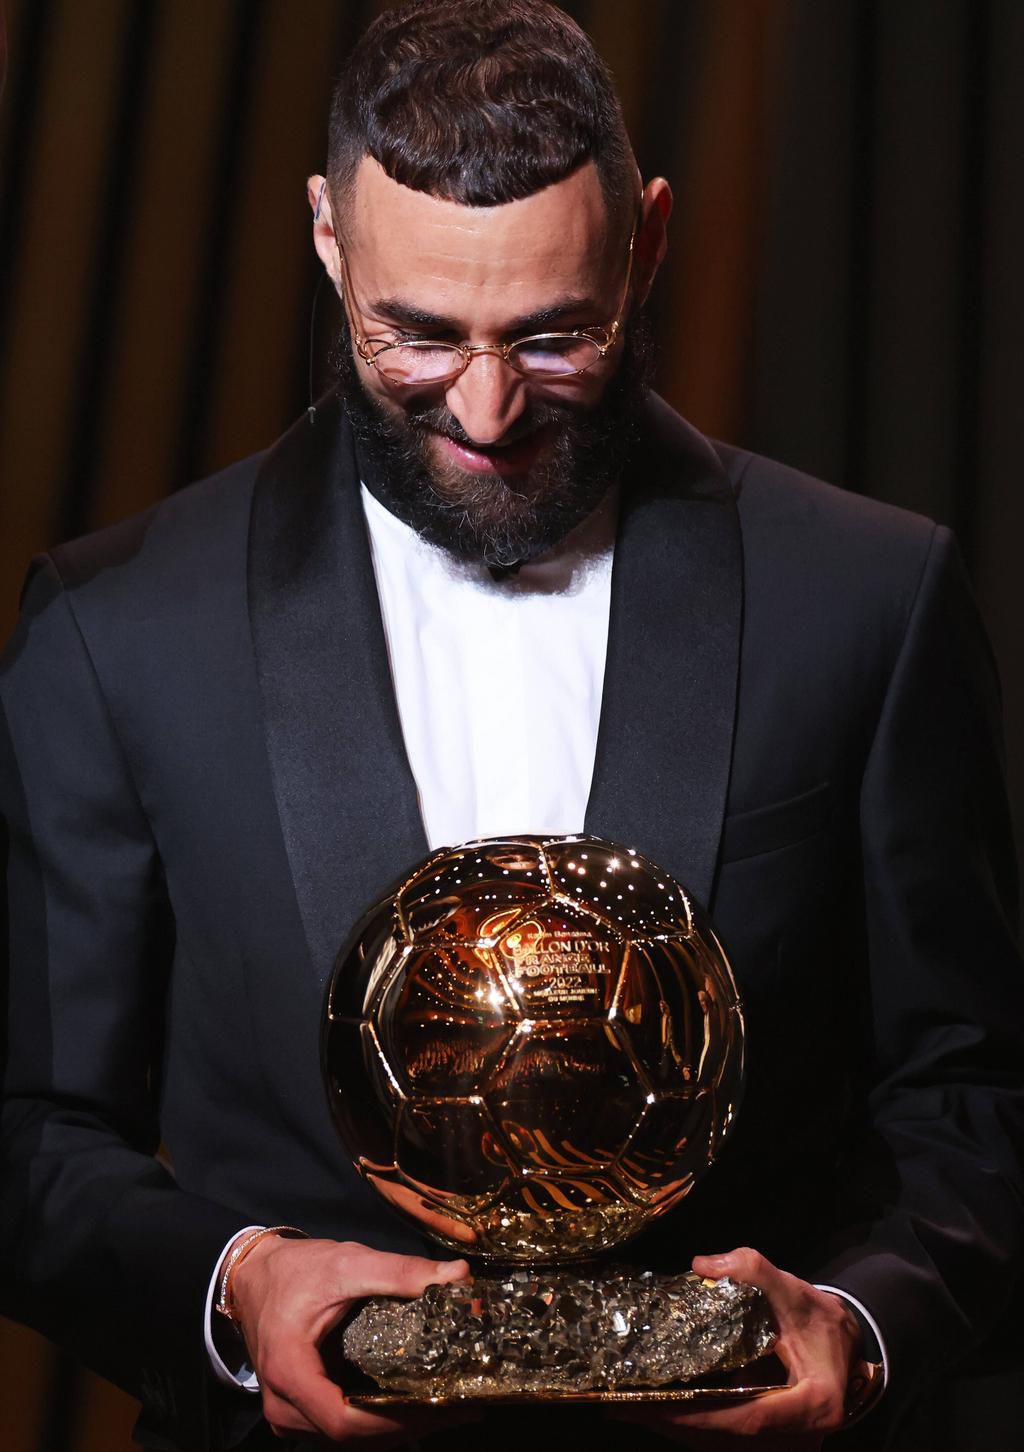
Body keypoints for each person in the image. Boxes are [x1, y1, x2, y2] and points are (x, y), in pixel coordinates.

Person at [2, 2, 1022, 1449]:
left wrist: (860, 1330)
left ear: (647, 243)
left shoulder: (867, 597)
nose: (484, 412)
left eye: (554, 338)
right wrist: (236, 1290)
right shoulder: (117, 627)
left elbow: (974, 1097)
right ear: (327, 237)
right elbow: (32, 1134)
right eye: (416, 336)